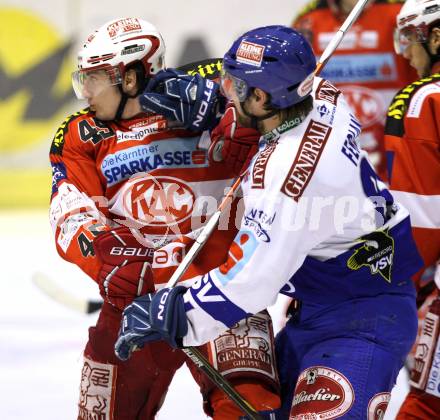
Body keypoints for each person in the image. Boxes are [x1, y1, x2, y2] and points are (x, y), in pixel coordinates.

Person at [115, 25, 424, 419]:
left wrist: (173, 312)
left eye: (235, 86)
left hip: (362, 324)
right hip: (324, 307)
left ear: (261, 98)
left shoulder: (286, 183)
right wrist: (216, 100)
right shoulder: (322, 96)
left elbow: (247, 285)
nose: (226, 88)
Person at [49, 17, 280, 419]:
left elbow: (299, 119)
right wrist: (107, 257)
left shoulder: (217, 89)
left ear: (133, 75)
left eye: (96, 78)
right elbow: (70, 208)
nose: (85, 91)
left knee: (249, 409)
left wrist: (231, 112)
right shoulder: (80, 133)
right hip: (134, 298)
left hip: (224, 290)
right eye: (82, 78)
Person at [384, 0, 440, 417]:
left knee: (425, 405)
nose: (405, 53)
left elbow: (422, 214)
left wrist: (402, 282)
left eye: (408, 38)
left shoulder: (423, 100)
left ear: (435, 36)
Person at [292, 0, 417, 180]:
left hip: (393, 153)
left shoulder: (397, 12)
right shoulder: (309, 19)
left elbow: (423, 79)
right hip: (331, 158)